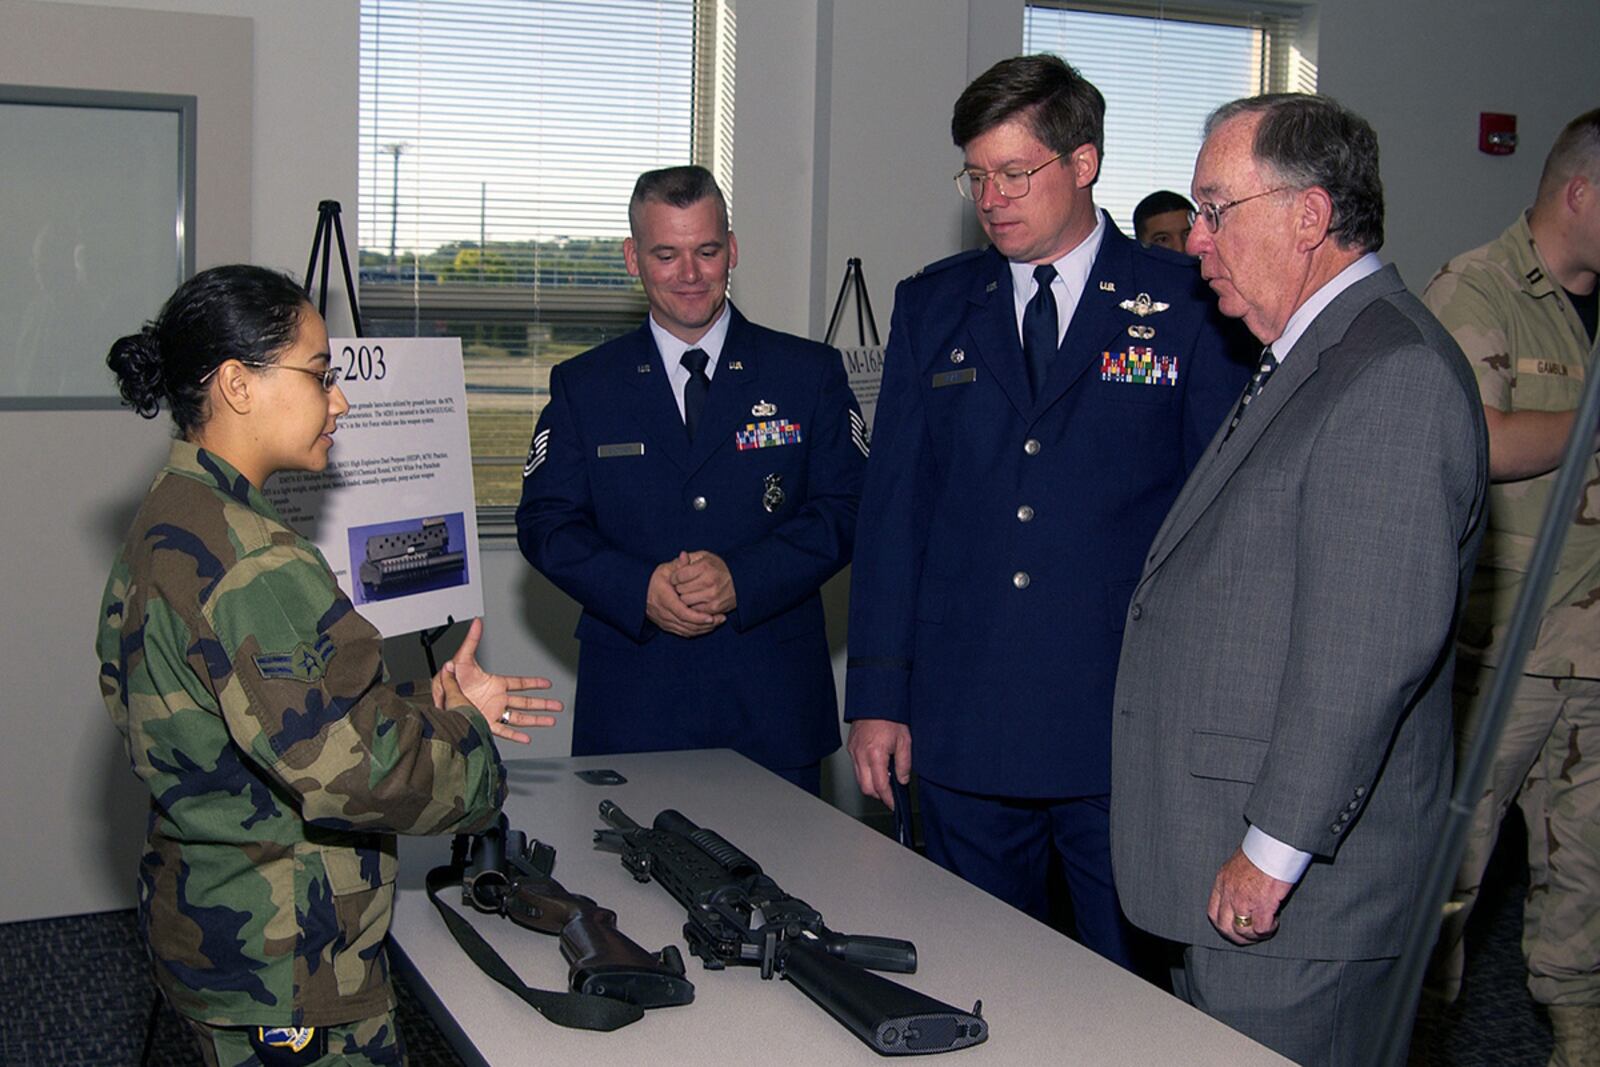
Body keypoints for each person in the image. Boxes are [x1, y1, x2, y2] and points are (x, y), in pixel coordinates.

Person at [843, 54, 1250, 972]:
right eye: (976, 175)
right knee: (973, 969)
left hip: (1122, 724)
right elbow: (894, 514)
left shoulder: (1187, 301)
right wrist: (876, 698)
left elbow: (1222, 528)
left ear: (1084, 162)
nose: (991, 197)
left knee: (1127, 983)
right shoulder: (934, 304)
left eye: (1014, 172)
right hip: (964, 720)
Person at [96, 265, 560, 1066]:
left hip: (212, 931)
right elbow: (350, 769)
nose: (339, 400)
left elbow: (237, 715)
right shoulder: (253, 561)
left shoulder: (173, 516)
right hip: (289, 963)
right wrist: (473, 746)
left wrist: (427, 704)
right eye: (319, 374)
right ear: (238, 384)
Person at [1107, 94, 1488, 1065]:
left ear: (1308, 215)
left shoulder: (1387, 373)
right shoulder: (1315, 353)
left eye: (1215, 208)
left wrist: (1272, 850)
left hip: (1298, 901)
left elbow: (1363, 654)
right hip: (1234, 871)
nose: (1195, 240)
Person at [516, 165, 865, 795]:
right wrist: (637, 587)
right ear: (632, 258)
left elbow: (847, 506)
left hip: (771, 707)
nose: (690, 274)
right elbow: (545, 524)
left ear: (732, 249)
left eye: (706, 251)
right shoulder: (584, 386)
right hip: (634, 708)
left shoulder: (806, 374)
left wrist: (744, 577)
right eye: (666, 253)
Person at [1422, 108, 1600, 1063]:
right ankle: (1416, 1043)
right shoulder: (1477, 285)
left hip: (1597, 660)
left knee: (1589, 893)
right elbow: (1475, 440)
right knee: (1442, 892)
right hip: (1504, 662)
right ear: (1580, 191)